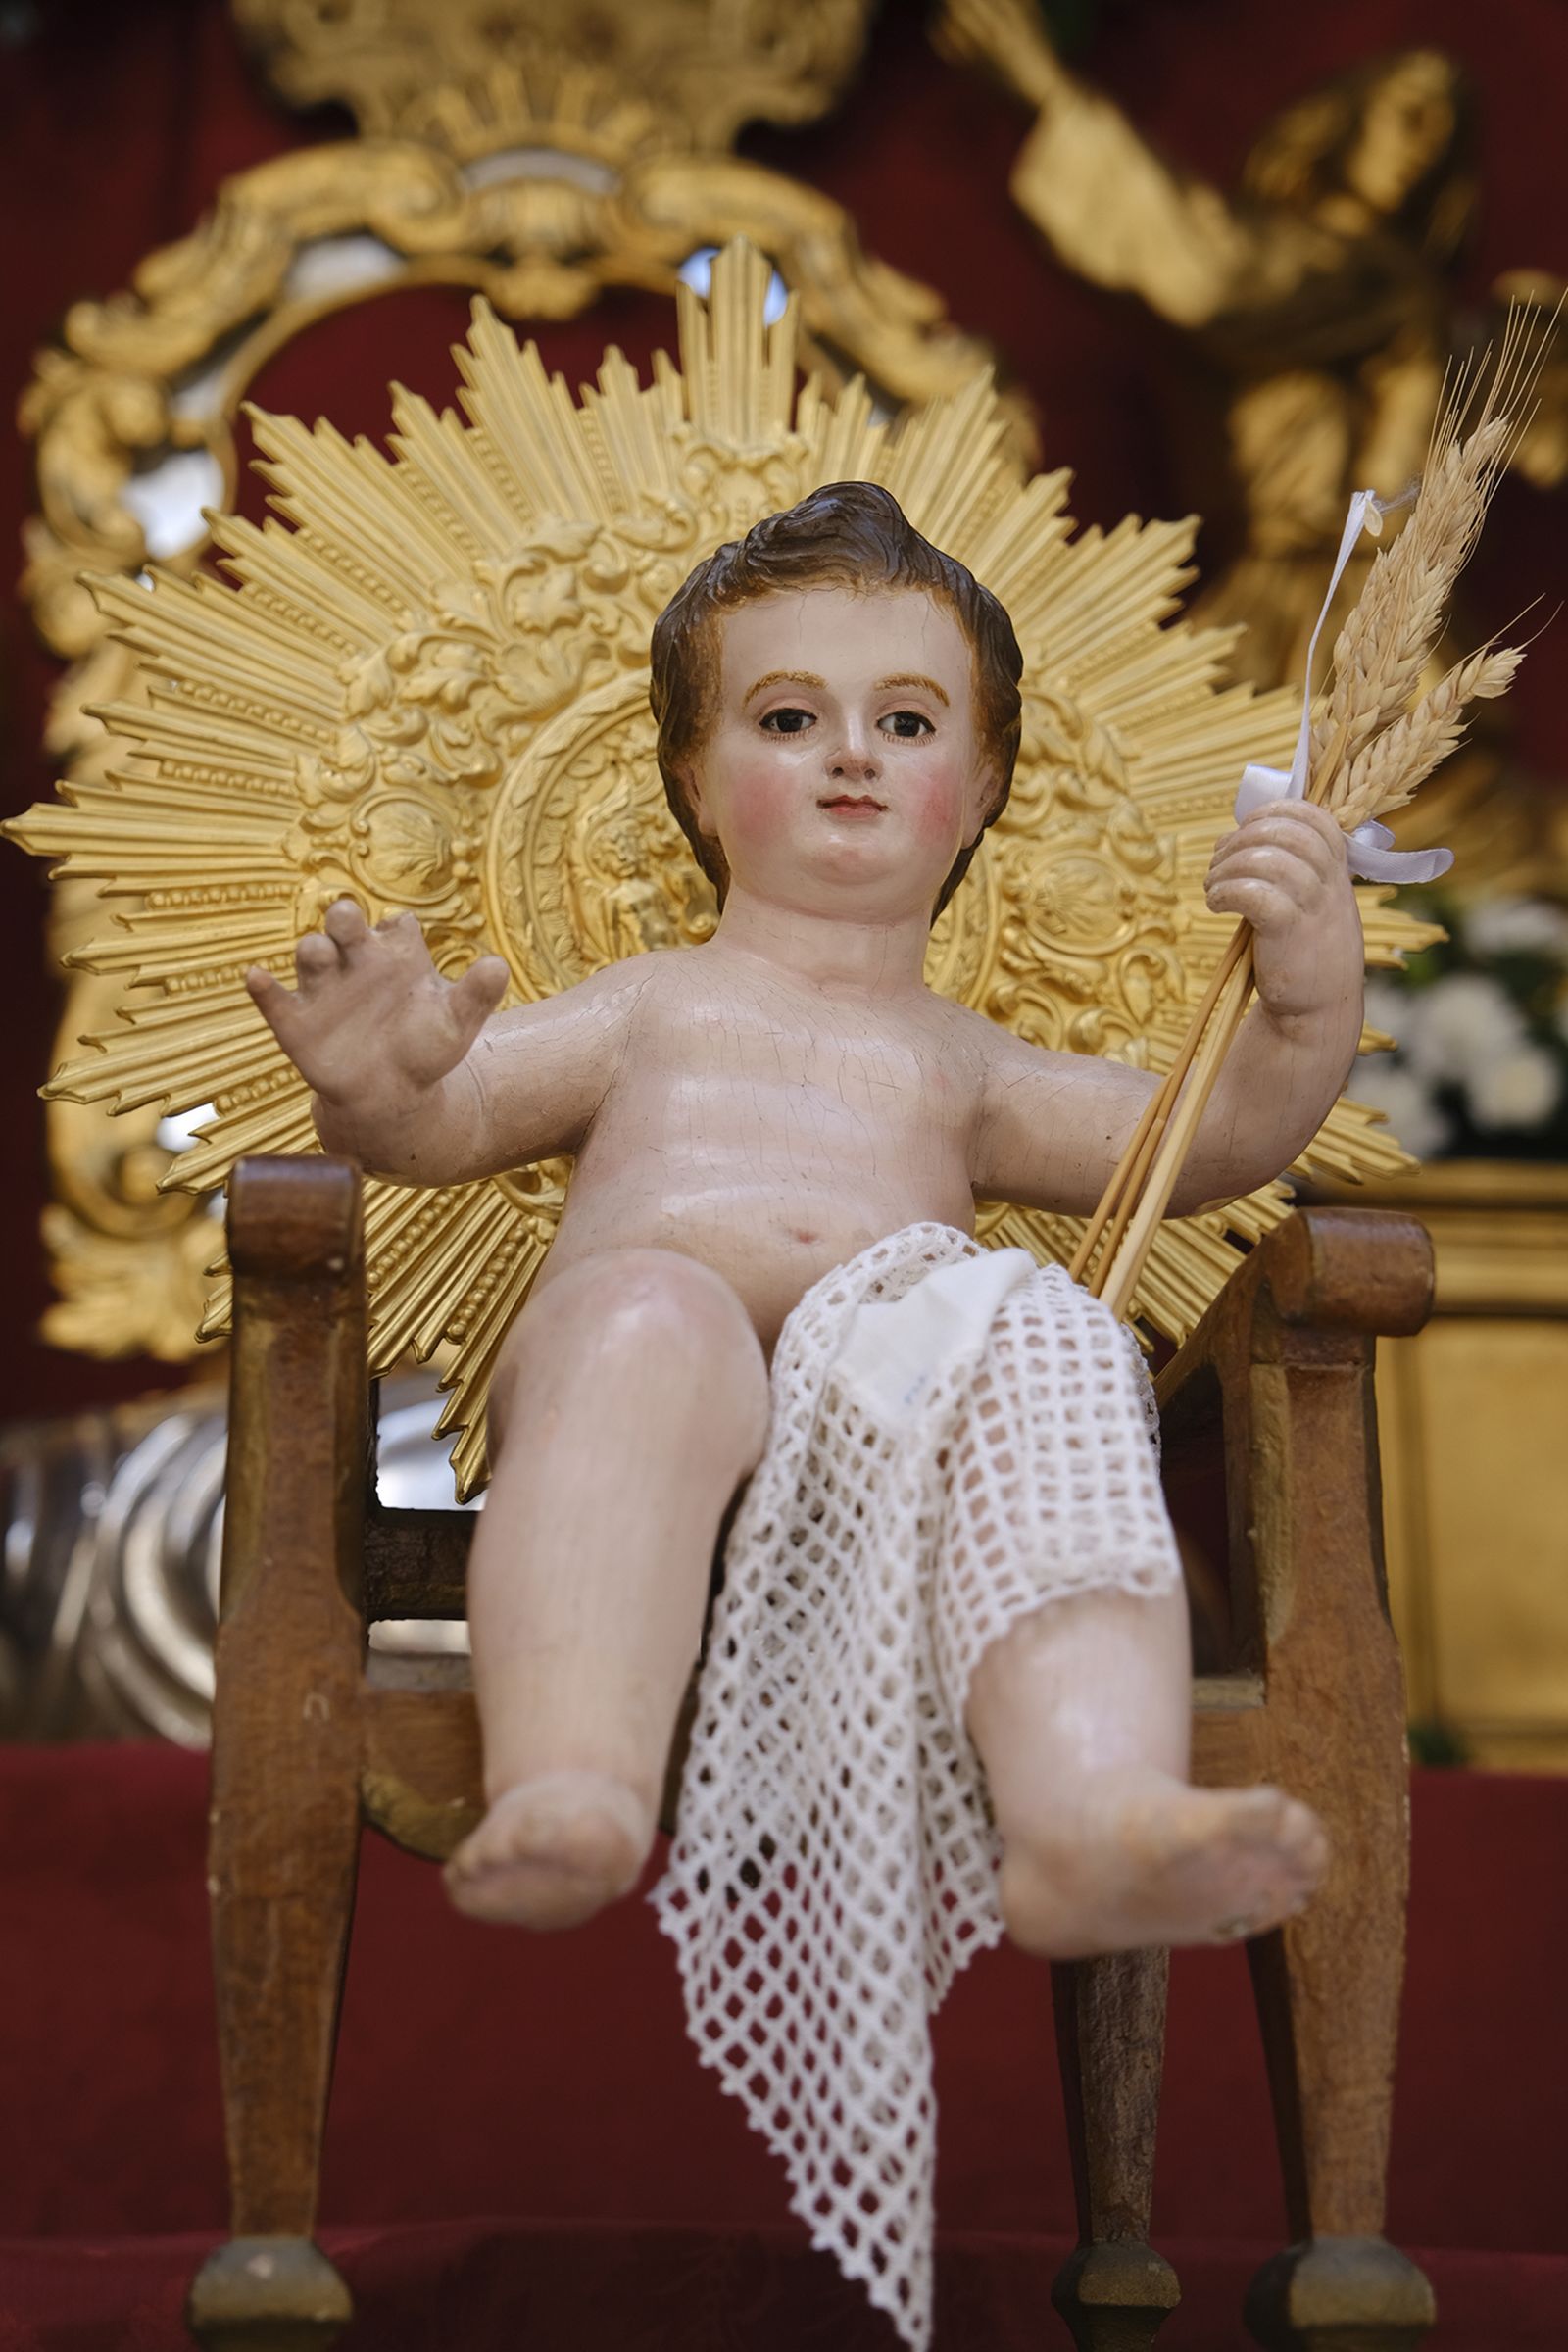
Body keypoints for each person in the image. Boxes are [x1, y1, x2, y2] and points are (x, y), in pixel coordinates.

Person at [246, 480, 1360, 1959]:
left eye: (907, 723)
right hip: (638, 1359)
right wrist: (381, 1086)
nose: (851, 753)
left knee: (1043, 1349)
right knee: (648, 1322)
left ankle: (1094, 1804)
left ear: (985, 784)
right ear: (693, 781)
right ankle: (571, 1771)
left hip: (880, 1429)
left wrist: (1307, 993)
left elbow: (1208, 1139)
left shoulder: (965, 1062)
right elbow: (443, 1122)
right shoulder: (653, 1007)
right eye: (785, 721)